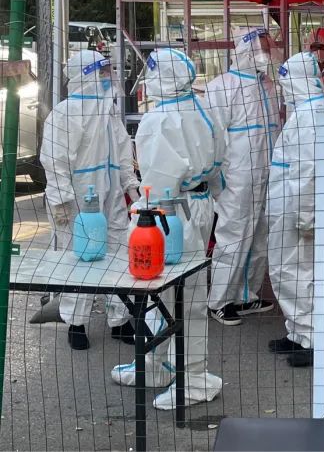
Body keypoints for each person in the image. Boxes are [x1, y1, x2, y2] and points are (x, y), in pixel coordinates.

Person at [110, 48, 225, 411]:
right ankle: (157, 362)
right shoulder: (202, 107)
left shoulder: (158, 120)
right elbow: (219, 164)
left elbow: (157, 183)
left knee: (179, 295)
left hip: (169, 215)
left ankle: (193, 377)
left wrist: (143, 219)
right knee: (168, 294)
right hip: (196, 206)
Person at [39, 50, 140, 350]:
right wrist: (61, 201)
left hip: (111, 193)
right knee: (78, 257)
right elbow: (54, 161)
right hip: (78, 198)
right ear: (88, 75)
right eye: (103, 71)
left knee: (118, 251)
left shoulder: (107, 110)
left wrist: (131, 186)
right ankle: (76, 322)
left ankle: (119, 318)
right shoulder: (65, 113)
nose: (109, 76)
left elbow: (123, 150)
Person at [267, 51, 324, 367]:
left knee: (292, 273)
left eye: (285, 83)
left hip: (299, 209)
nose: (283, 89)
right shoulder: (316, 110)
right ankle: (299, 332)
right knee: (303, 272)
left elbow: (309, 171)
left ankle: (313, 339)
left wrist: (306, 215)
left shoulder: (309, 116)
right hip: (302, 206)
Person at [205, 26, 280, 326]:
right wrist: (218, 179)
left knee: (260, 236)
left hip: (266, 173)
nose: (268, 53)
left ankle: (246, 294)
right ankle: (219, 301)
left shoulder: (268, 86)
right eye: (263, 48)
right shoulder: (222, 87)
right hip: (236, 177)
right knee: (233, 236)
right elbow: (213, 137)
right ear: (247, 49)